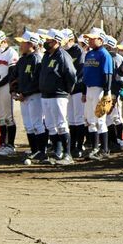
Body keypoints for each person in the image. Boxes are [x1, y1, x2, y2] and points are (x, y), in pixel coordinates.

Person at [38, 29, 77, 165]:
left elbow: (71, 73)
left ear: (56, 41)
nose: (45, 43)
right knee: (50, 125)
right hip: (46, 95)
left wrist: (67, 90)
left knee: (61, 124)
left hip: (58, 94)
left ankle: (68, 155)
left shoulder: (62, 55)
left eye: (48, 41)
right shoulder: (47, 55)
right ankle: (57, 152)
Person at [82, 27, 114, 160]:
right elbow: (86, 74)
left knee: (100, 120)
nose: (89, 40)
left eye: (92, 38)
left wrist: (107, 93)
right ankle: (95, 147)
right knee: (90, 120)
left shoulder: (104, 54)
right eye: (88, 38)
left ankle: (105, 149)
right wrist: (84, 92)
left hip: (101, 90)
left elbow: (108, 74)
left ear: (100, 39)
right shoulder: (89, 54)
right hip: (90, 89)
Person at [13, 31, 44, 161]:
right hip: (23, 97)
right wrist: (15, 90)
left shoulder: (37, 59)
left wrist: (24, 93)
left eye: (23, 43)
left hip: (35, 95)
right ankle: (34, 150)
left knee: (37, 124)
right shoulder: (22, 60)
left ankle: (41, 151)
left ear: (31, 44)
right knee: (28, 125)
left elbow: (37, 81)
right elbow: (15, 77)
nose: (20, 45)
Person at [0, 31, 19, 156]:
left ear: (3, 41)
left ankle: (10, 145)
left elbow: (10, 74)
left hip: (6, 86)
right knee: (0, 117)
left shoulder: (11, 53)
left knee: (8, 117)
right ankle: (2, 144)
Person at [63, 30, 87, 158]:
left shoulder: (78, 51)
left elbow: (80, 71)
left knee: (78, 118)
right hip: (67, 90)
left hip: (77, 88)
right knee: (71, 119)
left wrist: (72, 85)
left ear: (71, 39)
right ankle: (71, 146)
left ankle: (79, 146)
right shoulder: (63, 51)